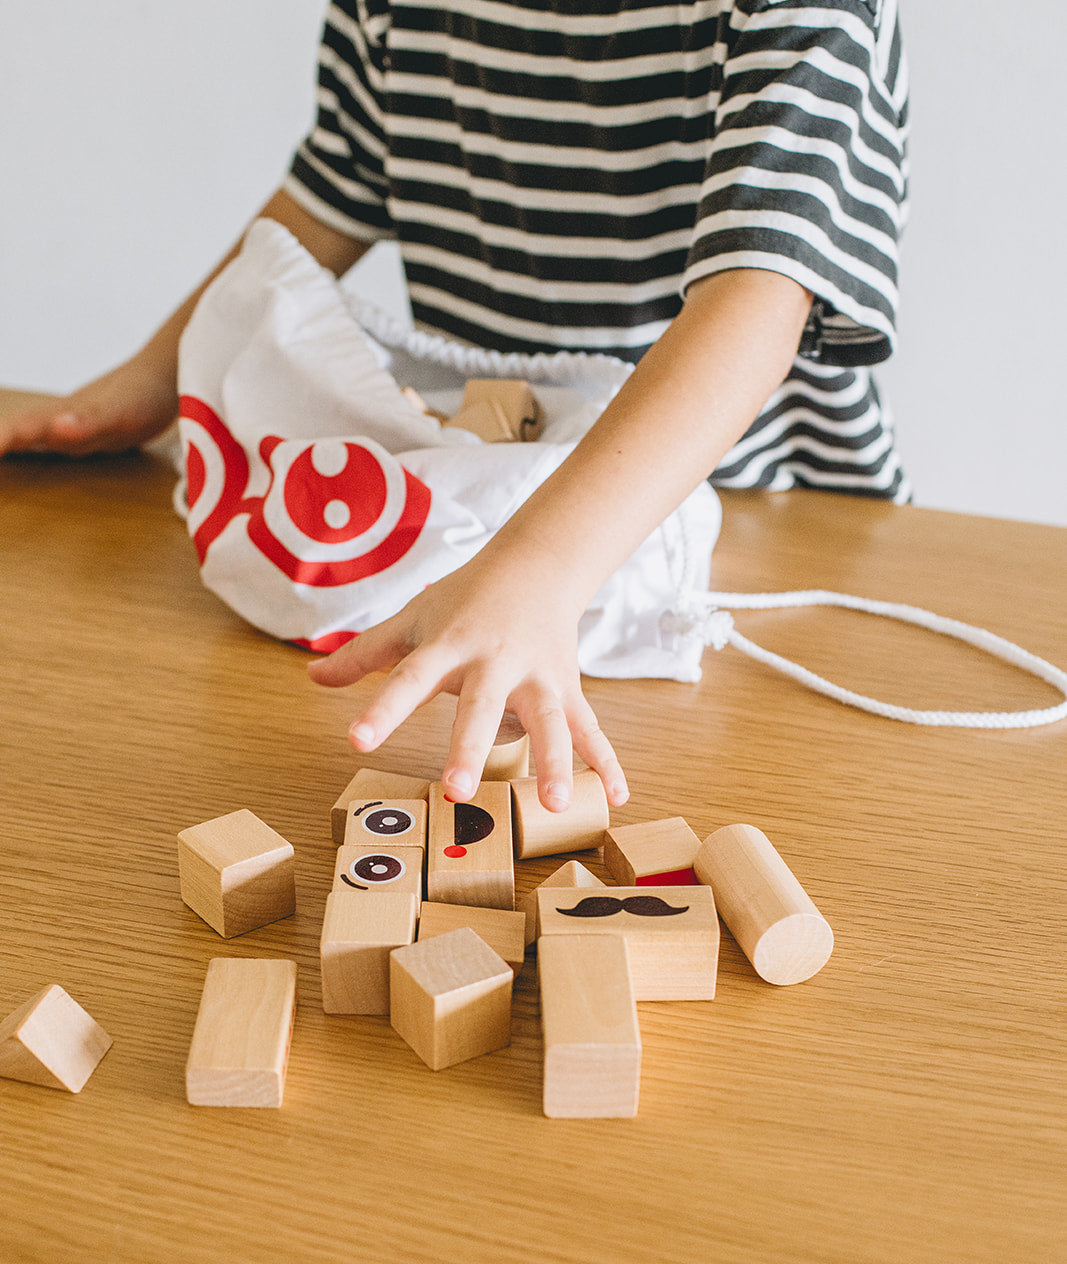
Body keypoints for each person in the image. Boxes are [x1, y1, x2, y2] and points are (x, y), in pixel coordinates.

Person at [0, 1, 908, 813]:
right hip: (487, 518)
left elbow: (759, 296)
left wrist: (543, 567)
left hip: (747, 533)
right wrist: (152, 378)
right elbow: (327, 196)